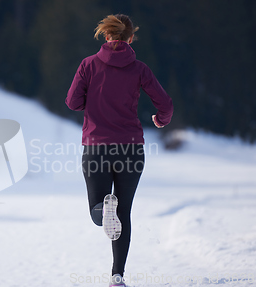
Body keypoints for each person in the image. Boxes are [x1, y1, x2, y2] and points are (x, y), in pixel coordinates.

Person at [66, 14, 173, 287]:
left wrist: (90, 104)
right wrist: (160, 120)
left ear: (106, 35)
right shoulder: (139, 69)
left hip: (96, 148)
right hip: (131, 149)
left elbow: (72, 102)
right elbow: (166, 104)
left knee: (98, 210)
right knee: (123, 212)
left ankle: (103, 211)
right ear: (130, 37)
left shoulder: (87, 65)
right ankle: (117, 277)